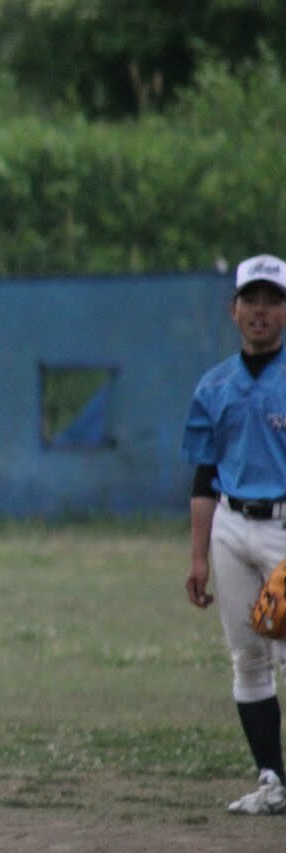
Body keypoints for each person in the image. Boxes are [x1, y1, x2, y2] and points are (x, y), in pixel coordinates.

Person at [183, 252, 286, 816]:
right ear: (234, 309)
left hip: (282, 528)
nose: (261, 310)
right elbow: (204, 475)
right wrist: (198, 557)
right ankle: (272, 780)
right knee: (247, 658)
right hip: (229, 525)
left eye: (273, 300)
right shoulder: (215, 385)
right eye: (252, 299)